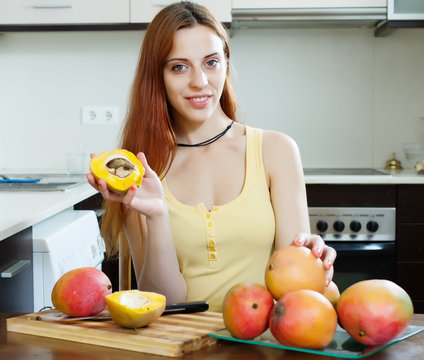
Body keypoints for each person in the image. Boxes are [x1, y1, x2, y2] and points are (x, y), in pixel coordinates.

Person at [87, 1, 337, 312]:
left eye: (211, 62)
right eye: (179, 66)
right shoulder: (142, 171)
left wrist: (316, 265)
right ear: (158, 76)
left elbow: (295, 286)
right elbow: (165, 303)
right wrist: (158, 216)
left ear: (226, 64)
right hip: (180, 345)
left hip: (259, 344)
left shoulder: (276, 151)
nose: (200, 82)